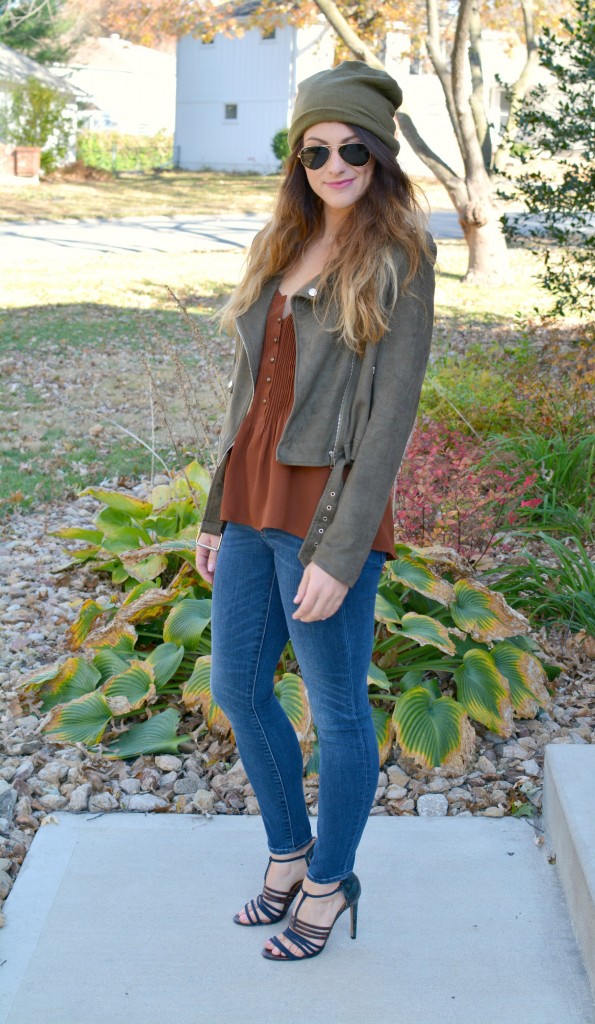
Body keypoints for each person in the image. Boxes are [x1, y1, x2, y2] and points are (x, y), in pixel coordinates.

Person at [195, 60, 436, 962]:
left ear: (377, 153)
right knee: (237, 686)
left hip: (325, 509)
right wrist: (214, 510)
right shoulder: (278, 243)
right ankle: (288, 852)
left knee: (336, 709)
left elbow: (389, 416)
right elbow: (244, 394)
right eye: (314, 150)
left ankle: (330, 884)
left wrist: (339, 551)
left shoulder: (400, 255)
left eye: (350, 149)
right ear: (297, 160)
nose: (333, 165)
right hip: (253, 493)